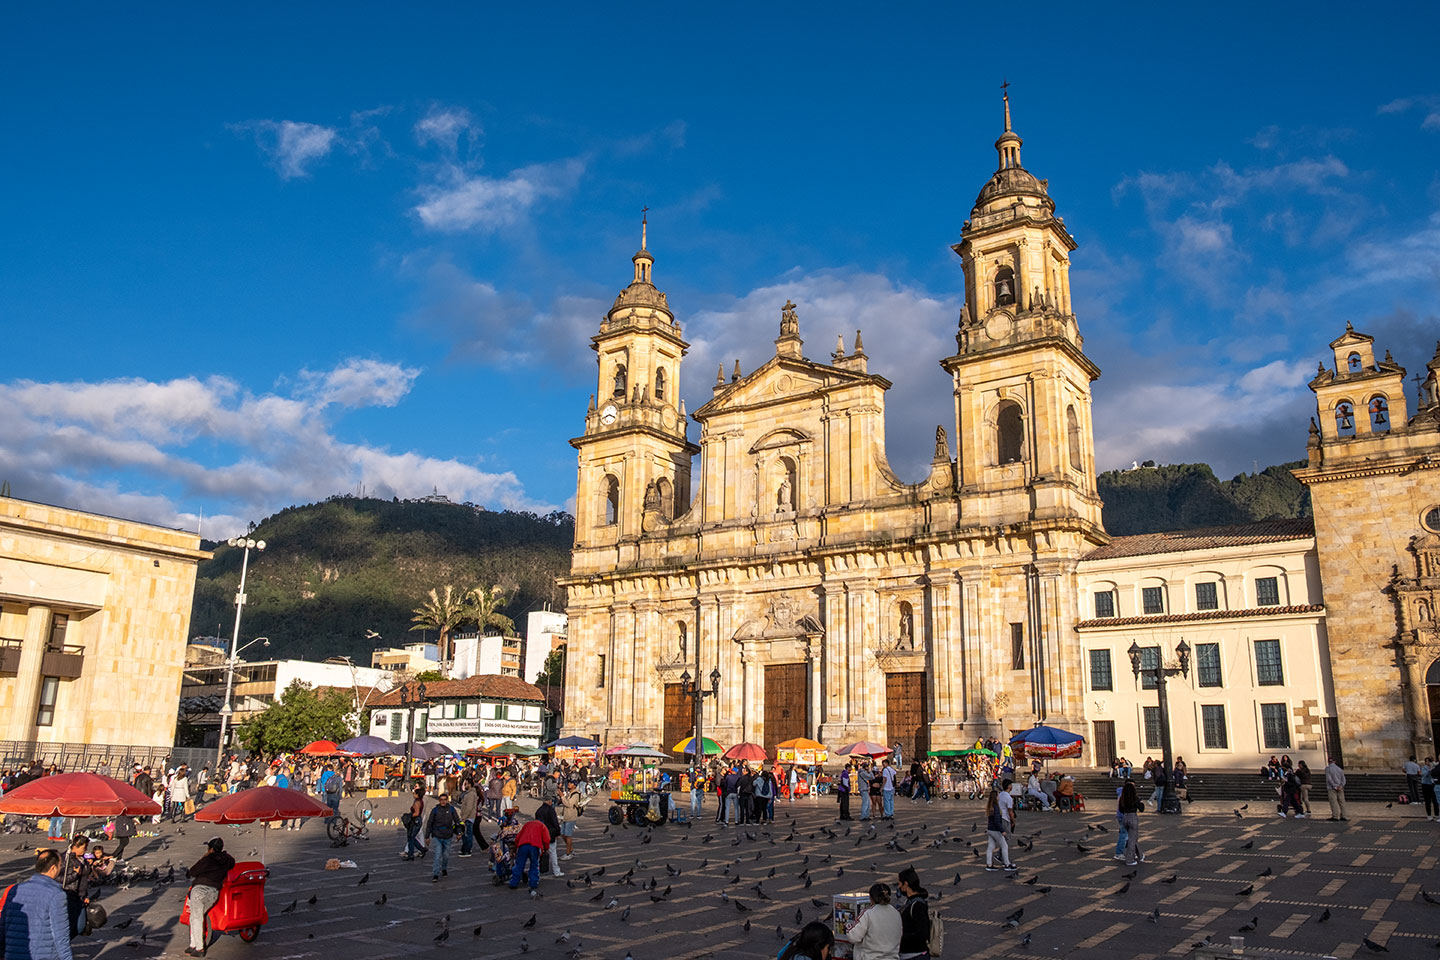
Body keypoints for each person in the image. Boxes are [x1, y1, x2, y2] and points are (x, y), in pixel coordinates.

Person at [1, 849, 74, 960]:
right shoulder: (56, 895)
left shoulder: (14, 890)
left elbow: (3, 927)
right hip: (42, 955)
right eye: (60, 865)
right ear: (53, 868)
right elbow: (61, 937)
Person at [184, 838, 235, 957]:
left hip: (200, 891)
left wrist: (205, 856)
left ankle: (199, 948)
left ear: (211, 848)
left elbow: (193, 871)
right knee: (198, 915)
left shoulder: (207, 859)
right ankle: (193, 944)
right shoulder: (227, 859)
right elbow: (232, 862)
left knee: (196, 917)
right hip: (214, 892)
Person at [848, 882, 902, 960]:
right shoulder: (896, 913)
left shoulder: (868, 913)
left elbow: (854, 937)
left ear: (871, 898)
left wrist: (848, 925)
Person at [424, 792, 461, 883]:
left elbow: (457, 822)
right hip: (437, 835)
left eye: (445, 800)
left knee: (446, 855)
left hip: (448, 835)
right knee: (437, 855)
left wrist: (459, 833)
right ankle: (435, 874)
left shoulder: (452, 809)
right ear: (439, 801)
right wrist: (427, 836)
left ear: (447, 800)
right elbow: (429, 823)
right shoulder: (435, 810)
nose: (443, 802)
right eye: (441, 800)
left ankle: (444, 868)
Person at [508, 815, 550, 895]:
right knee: (534, 865)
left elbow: (518, 837)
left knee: (519, 865)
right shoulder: (542, 826)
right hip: (535, 846)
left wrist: (515, 847)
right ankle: (533, 883)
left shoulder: (527, 824)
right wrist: (546, 849)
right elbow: (546, 839)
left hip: (523, 845)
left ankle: (513, 883)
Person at [896, 867, 931, 960]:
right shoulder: (909, 902)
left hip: (915, 955)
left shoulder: (917, 905)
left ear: (906, 884)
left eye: (899, 883)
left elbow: (922, 933)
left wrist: (900, 937)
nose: (898, 887)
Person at [984, 781, 1017, 872]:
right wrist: (1002, 830)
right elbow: (997, 821)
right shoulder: (996, 808)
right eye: (998, 795)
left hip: (990, 829)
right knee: (1004, 845)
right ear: (996, 798)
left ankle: (989, 864)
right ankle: (1007, 864)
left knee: (990, 847)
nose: (999, 797)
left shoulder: (990, 807)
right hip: (995, 830)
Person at [533, 798, 563, 878]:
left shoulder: (539, 810)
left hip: (541, 833)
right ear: (549, 801)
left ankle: (537, 871)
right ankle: (556, 871)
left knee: (539, 852)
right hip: (551, 833)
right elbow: (555, 822)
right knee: (553, 852)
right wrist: (558, 832)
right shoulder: (551, 810)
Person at [1118, 779, 1144, 866]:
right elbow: (1141, 808)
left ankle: (1140, 855)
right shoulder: (1134, 798)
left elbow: (1120, 809)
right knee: (1132, 839)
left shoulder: (1122, 798)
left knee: (1133, 837)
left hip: (1125, 817)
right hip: (1132, 817)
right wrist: (1141, 803)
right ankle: (1130, 859)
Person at [558, 781, 586, 860]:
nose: (569, 784)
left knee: (568, 835)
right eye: (568, 783)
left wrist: (562, 797)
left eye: (571, 784)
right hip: (565, 816)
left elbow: (569, 804)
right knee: (562, 834)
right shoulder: (569, 793)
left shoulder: (575, 794)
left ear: (574, 785)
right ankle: (571, 849)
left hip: (571, 816)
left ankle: (568, 853)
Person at [403, 787, 426, 861]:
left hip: (415, 821)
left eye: (414, 793)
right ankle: (420, 850)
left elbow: (416, 813)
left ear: (417, 794)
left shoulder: (417, 802)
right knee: (411, 837)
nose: (413, 794)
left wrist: (409, 816)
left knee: (411, 837)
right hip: (417, 820)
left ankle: (412, 853)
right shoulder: (420, 801)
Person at [457, 779, 479, 857]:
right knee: (465, 834)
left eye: (465, 784)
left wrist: (464, 817)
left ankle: (467, 850)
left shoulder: (471, 794)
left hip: (468, 817)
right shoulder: (468, 793)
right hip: (467, 817)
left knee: (467, 834)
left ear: (469, 784)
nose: (464, 785)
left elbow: (469, 807)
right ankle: (465, 848)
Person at [1324, 757, 1348, 821]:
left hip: (1332, 788)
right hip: (1340, 787)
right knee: (1342, 802)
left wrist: (1335, 786)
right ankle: (1344, 815)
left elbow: (1329, 779)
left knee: (1333, 802)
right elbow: (1343, 779)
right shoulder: (1339, 769)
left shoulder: (1328, 769)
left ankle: (1335, 816)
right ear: (1335, 761)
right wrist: (1341, 786)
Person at [1420, 757, 1438, 822]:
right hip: (1425, 785)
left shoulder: (1434, 767)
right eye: (1427, 761)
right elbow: (1424, 774)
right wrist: (1429, 770)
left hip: (1433, 785)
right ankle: (1429, 815)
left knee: (1435, 801)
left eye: (1430, 761)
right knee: (1428, 801)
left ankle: (1437, 814)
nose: (1428, 763)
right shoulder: (1424, 768)